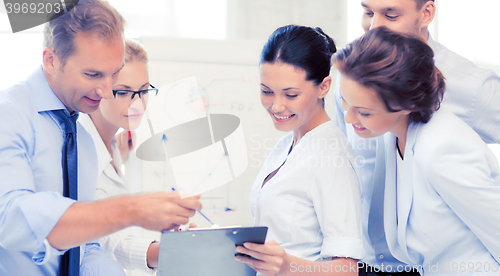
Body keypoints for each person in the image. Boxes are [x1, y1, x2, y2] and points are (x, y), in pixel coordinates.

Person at [0, 1, 201, 275]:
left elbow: (85, 249)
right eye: (93, 74)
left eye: (114, 73)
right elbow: (11, 218)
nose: (107, 91)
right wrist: (130, 209)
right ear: (51, 60)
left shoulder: (81, 140)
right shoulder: (9, 114)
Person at [332, 0, 500, 274]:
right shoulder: (392, 130)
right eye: (367, 12)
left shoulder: (443, 147)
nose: (350, 120)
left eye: (391, 14)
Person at [235, 25, 364, 276]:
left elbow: (347, 270)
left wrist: (285, 266)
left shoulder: (332, 156)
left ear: (324, 87)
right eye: (266, 91)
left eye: (291, 94)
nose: (277, 106)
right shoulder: (286, 144)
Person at [77, 38, 161, 273]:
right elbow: (105, 238)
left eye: (144, 91)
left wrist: (119, 159)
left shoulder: (114, 144)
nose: (138, 104)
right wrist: (167, 252)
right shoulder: (79, 154)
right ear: (99, 88)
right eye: (123, 92)